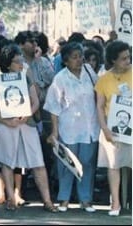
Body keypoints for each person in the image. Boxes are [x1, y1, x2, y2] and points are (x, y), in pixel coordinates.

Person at [0, 43, 58, 213]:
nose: (21, 64)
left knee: (37, 161)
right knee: (7, 161)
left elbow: (35, 103)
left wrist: (27, 114)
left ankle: (47, 201)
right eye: (16, 61)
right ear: (7, 64)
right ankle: (11, 198)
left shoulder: (27, 79)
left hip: (27, 124)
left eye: (21, 60)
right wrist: (7, 121)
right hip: (7, 125)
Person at [44, 42, 100, 213]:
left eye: (80, 56)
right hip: (68, 128)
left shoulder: (90, 72)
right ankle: (64, 199)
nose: (79, 60)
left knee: (87, 163)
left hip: (90, 126)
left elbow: (99, 94)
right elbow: (53, 107)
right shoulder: (60, 78)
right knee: (67, 164)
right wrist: (54, 132)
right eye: (74, 57)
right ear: (65, 60)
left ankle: (85, 199)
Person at [95, 40, 132, 217]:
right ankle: (115, 202)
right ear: (113, 60)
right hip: (113, 130)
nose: (128, 61)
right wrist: (105, 129)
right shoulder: (103, 79)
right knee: (113, 165)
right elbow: (100, 107)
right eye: (124, 59)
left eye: (129, 57)